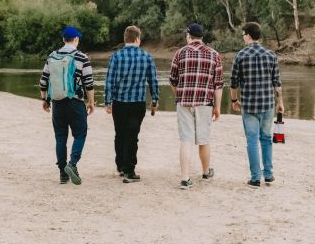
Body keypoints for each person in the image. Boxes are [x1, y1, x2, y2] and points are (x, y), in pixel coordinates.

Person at [169, 23, 223, 190]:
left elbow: (172, 80)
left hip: (184, 102)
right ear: (202, 37)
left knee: (186, 140)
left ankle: (185, 179)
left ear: (188, 36)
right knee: (203, 140)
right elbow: (218, 84)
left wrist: (179, 94)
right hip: (205, 102)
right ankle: (206, 172)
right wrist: (217, 107)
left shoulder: (180, 53)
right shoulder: (214, 55)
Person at [39, 26, 95, 185]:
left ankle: (63, 174)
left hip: (57, 103)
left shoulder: (52, 56)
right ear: (76, 39)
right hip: (75, 103)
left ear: (63, 40)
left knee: (60, 138)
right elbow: (88, 83)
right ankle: (72, 164)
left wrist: (45, 100)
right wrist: (91, 102)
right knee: (80, 134)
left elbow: (43, 81)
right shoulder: (82, 57)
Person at [230, 22, 283, 188]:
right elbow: (277, 82)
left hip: (249, 105)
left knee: (252, 140)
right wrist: (280, 102)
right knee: (266, 139)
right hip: (267, 104)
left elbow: (233, 83)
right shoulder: (270, 55)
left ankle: (255, 178)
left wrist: (234, 100)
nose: (243, 37)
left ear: (247, 35)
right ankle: (268, 175)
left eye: (243, 35)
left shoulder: (241, 55)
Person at [104, 25, 160, 183]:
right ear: (138, 39)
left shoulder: (116, 56)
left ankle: (121, 166)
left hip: (119, 103)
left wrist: (107, 102)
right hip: (137, 103)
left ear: (125, 39)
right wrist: (154, 100)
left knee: (120, 134)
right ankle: (129, 170)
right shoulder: (146, 56)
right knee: (132, 136)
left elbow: (109, 81)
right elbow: (153, 81)